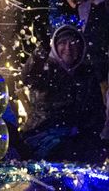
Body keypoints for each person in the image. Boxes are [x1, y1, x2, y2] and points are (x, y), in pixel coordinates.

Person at [21, 25, 105, 162]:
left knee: (96, 152)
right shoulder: (46, 69)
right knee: (60, 150)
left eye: (73, 43)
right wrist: (42, 49)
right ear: (55, 46)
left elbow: (97, 112)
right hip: (43, 135)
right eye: (62, 43)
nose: (68, 48)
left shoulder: (87, 74)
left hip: (77, 136)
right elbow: (28, 77)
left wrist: (85, 132)